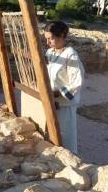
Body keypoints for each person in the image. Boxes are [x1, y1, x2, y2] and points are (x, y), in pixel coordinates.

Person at [44, 21, 85, 154]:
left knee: (66, 139)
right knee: (50, 136)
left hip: (63, 105)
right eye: (46, 39)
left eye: (51, 38)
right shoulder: (50, 52)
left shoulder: (70, 54)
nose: (48, 42)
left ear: (61, 35)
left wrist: (56, 94)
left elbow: (76, 82)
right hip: (51, 102)